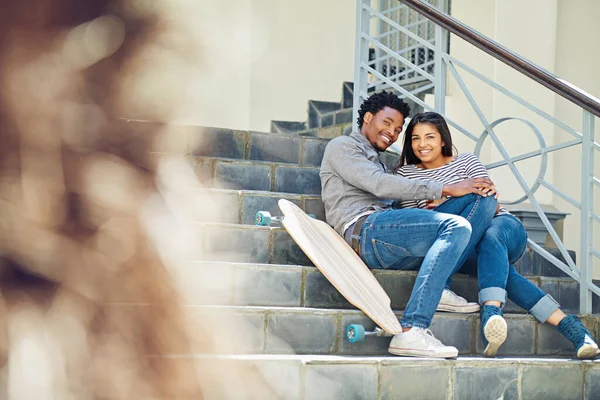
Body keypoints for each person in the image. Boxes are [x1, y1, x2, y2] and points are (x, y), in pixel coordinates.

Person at [394, 111, 599, 359]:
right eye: (415, 138)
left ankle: (489, 311)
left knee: (491, 235)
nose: (422, 145)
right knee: (498, 266)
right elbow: (418, 224)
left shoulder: (466, 161)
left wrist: (446, 199)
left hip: (502, 225)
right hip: (460, 244)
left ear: (443, 139)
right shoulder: (405, 175)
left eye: (430, 137)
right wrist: (456, 199)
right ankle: (574, 330)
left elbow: (490, 202)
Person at [319, 91, 498, 358]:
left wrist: (460, 193)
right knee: (456, 227)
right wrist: (445, 188)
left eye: (398, 129)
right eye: (387, 123)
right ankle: (412, 328)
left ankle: (439, 285)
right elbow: (379, 185)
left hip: (389, 238)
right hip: (365, 230)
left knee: (480, 199)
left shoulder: (378, 158)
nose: (392, 133)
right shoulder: (343, 147)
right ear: (368, 118)